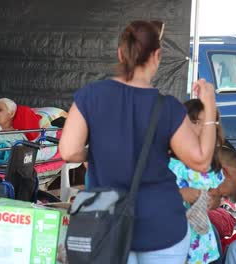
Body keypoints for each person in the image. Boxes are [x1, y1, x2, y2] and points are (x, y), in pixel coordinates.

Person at [59, 20, 217, 263]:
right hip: (163, 227)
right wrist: (209, 106)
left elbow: (69, 151)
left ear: (120, 53)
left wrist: (97, 152)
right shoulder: (168, 109)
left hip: (105, 226)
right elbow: (202, 160)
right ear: (157, 55)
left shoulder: (90, 95)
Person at [168, 99, 225, 264]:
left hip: (203, 245)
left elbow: (216, 193)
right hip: (172, 242)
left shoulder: (212, 165)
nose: (199, 128)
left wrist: (214, 199)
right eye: (193, 122)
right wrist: (180, 194)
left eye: (205, 123)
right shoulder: (168, 162)